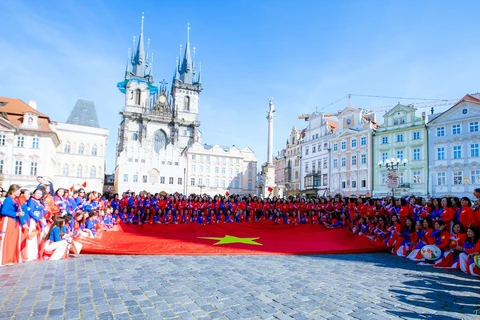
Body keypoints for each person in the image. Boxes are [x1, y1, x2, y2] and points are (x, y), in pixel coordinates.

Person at [0, 185, 23, 266]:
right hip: (8, 220)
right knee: (7, 239)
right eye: (18, 191)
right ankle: (4, 259)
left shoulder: (15, 200)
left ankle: (10, 258)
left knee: (13, 239)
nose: (20, 193)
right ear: (13, 191)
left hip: (14, 220)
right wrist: (16, 213)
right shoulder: (8, 200)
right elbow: (3, 211)